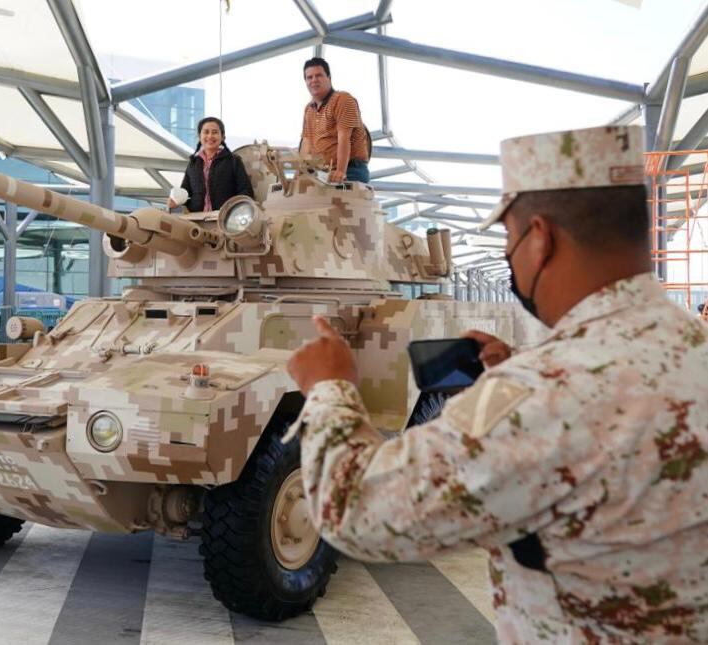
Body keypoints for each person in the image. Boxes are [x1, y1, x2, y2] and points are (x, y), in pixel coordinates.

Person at [287, 126, 708, 643]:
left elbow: (354, 510)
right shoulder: (687, 346)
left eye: (508, 238)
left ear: (541, 238)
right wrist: (521, 364)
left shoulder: (542, 393)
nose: (509, 253)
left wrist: (329, 386)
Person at [299, 57, 370, 184]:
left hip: (350, 170)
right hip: (321, 174)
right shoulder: (309, 110)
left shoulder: (342, 100)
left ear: (329, 78)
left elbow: (344, 137)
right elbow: (306, 143)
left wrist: (341, 172)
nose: (314, 80)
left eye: (319, 75)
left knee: (338, 202)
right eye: (309, 77)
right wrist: (299, 174)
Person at [169, 116, 253, 213]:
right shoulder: (193, 163)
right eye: (206, 132)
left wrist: (233, 211)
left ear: (223, 137)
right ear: (200, 136)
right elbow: (184, 193)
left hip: (224, 220)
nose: (210, 136)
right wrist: (175, 201)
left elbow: (246, 191)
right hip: (196, 219)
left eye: (215, 132)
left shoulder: (234, 161)